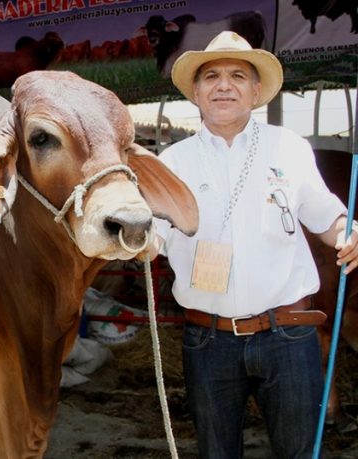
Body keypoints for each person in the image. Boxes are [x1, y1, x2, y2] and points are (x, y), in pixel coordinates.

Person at [148, 31, 358, 457]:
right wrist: (136, 241)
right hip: (207, 340)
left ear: (256, 90)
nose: (224, 85)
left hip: (289, 336)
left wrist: (347, 231)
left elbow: (326, 216)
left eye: (237, 75)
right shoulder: (170, 163)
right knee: (216, 452)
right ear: (196, 91)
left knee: (299, 451)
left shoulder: (289, 147)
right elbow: (154, 235)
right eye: (211, 76)